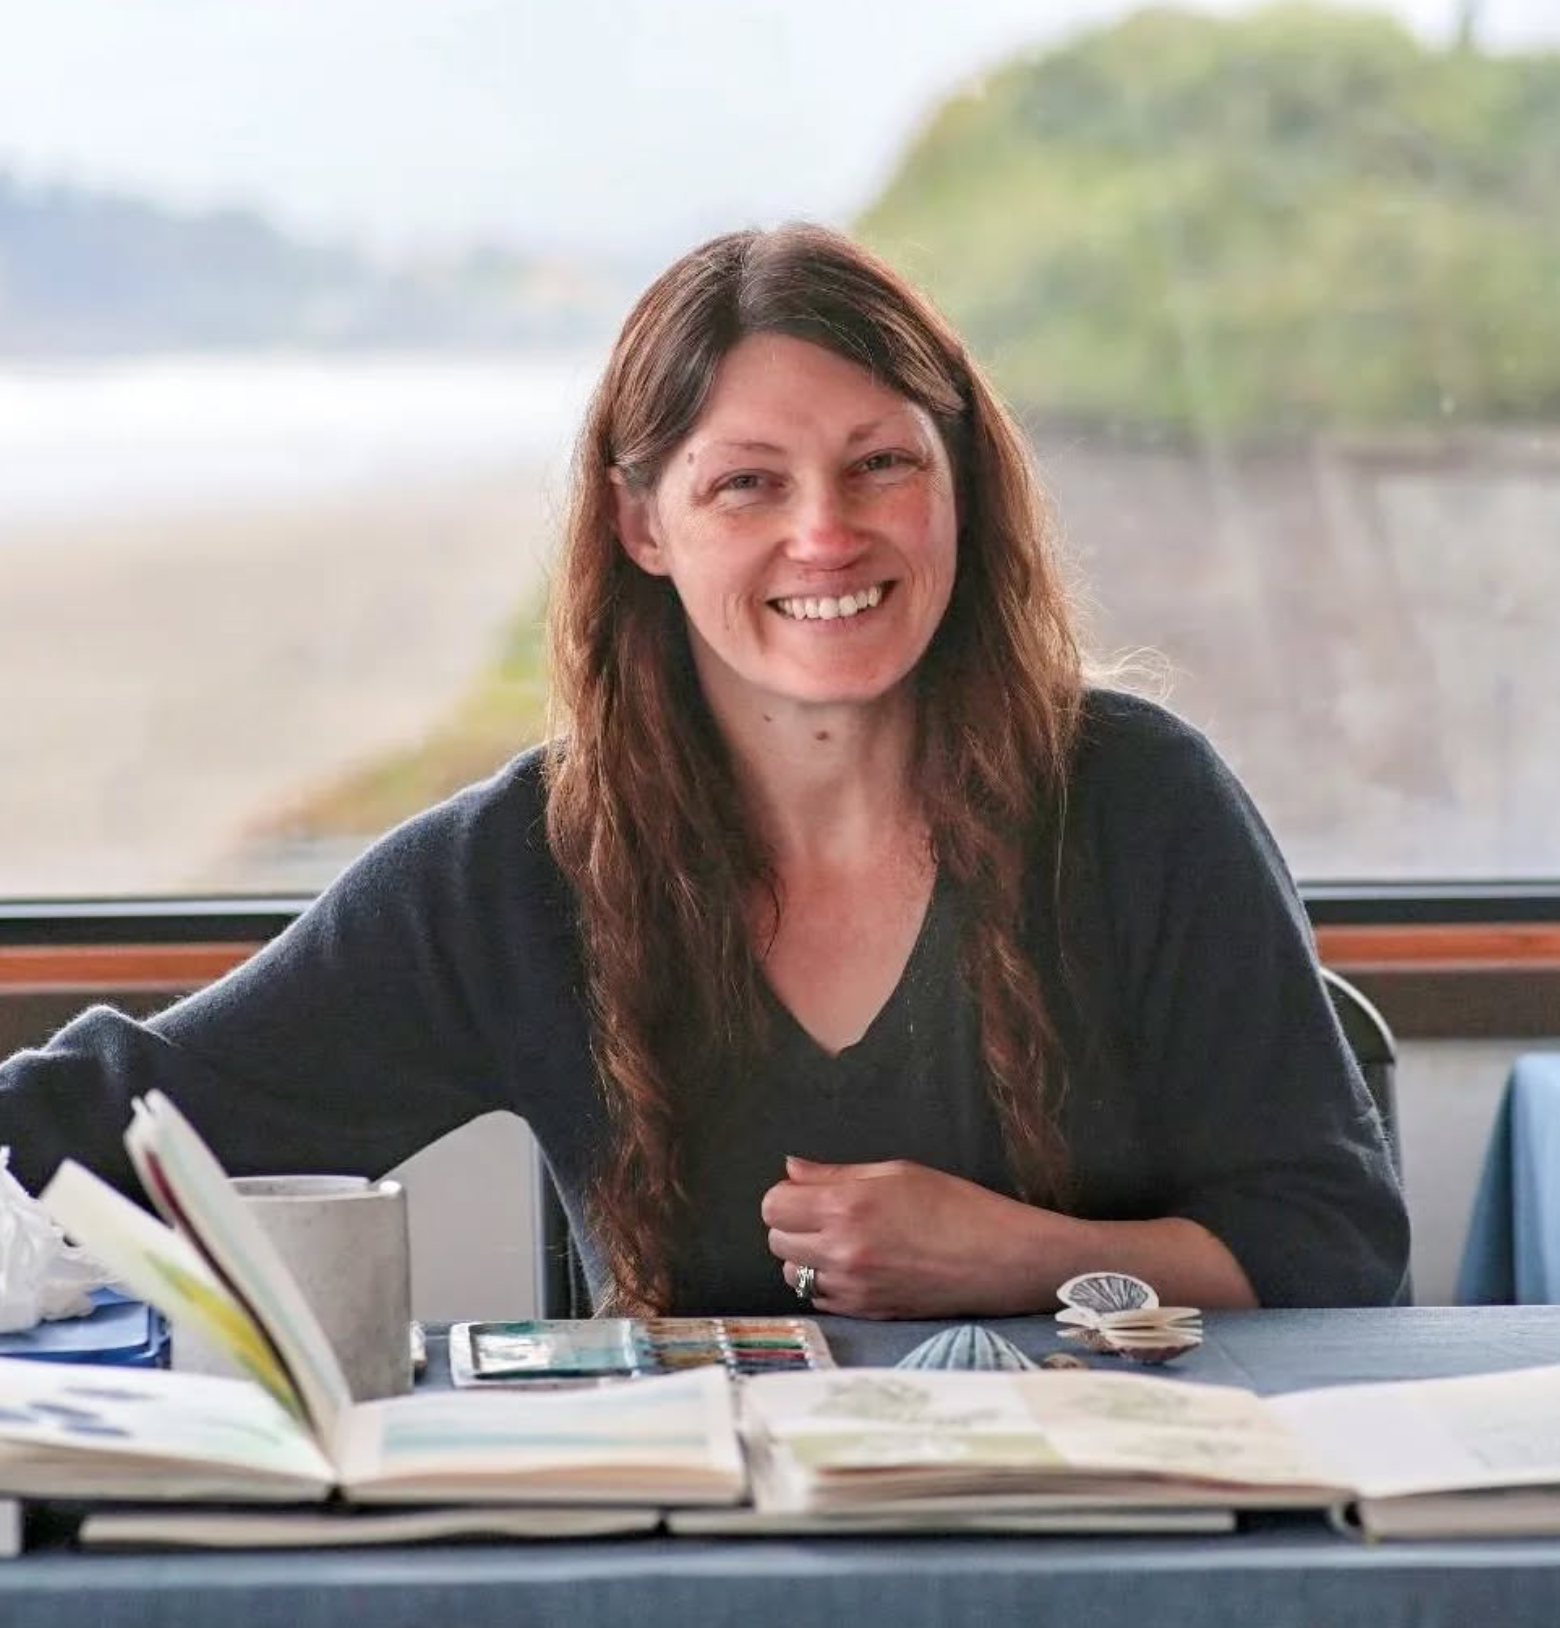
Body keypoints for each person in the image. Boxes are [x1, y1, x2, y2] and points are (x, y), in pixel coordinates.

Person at [0, 223, 1408, 1318]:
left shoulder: (1142, 802)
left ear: (958, 480)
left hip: (1134, 1546)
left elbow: (1336, 1247)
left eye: (880, 466)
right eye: (749, 483)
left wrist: (1022, 1257)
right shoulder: (520, 870)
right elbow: (112, 1125)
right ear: (643, 525)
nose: (826, 534)